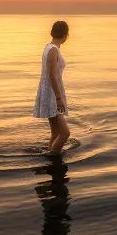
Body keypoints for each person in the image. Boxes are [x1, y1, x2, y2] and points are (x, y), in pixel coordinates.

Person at [33, 20, 70, 154]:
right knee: (65, 133)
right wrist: (59, 98)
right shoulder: (53, 50)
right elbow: (52, 76)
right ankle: (53, 159)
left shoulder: (48, 47)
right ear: (66, 34)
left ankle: (50, 153)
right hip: (52, 94)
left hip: (49, 91)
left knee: (55, 132)